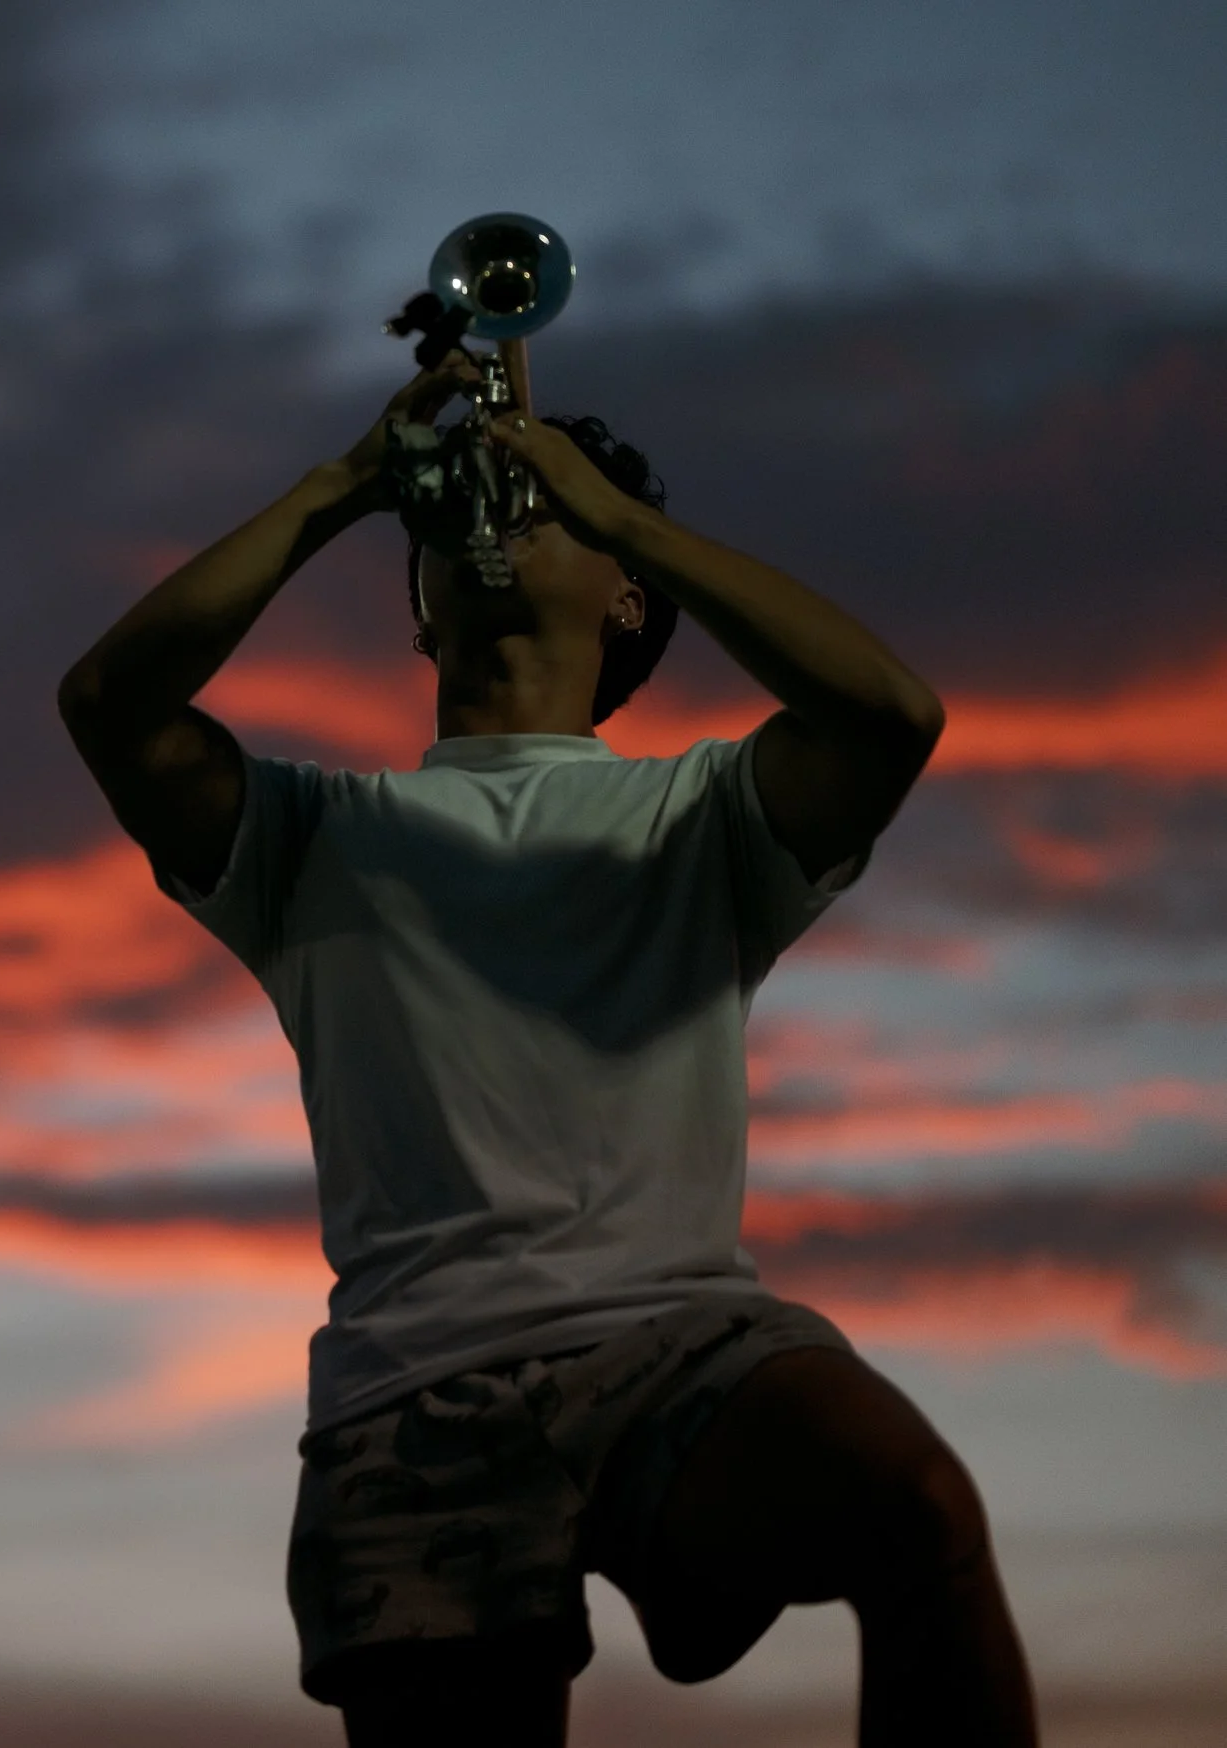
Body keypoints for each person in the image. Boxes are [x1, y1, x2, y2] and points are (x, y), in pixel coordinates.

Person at [55, 349, 1035, 1747]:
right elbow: (112, 706)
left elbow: (893, 716)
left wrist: (625, 511)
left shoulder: (708, 819)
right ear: (419, 609)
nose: (500, 517)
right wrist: (342, 489)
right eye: (470, 509)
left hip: (677, 1346)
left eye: (546, 505)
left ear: (632, 596)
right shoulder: (312, 836)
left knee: (917, 1506)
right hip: (411, 1409)